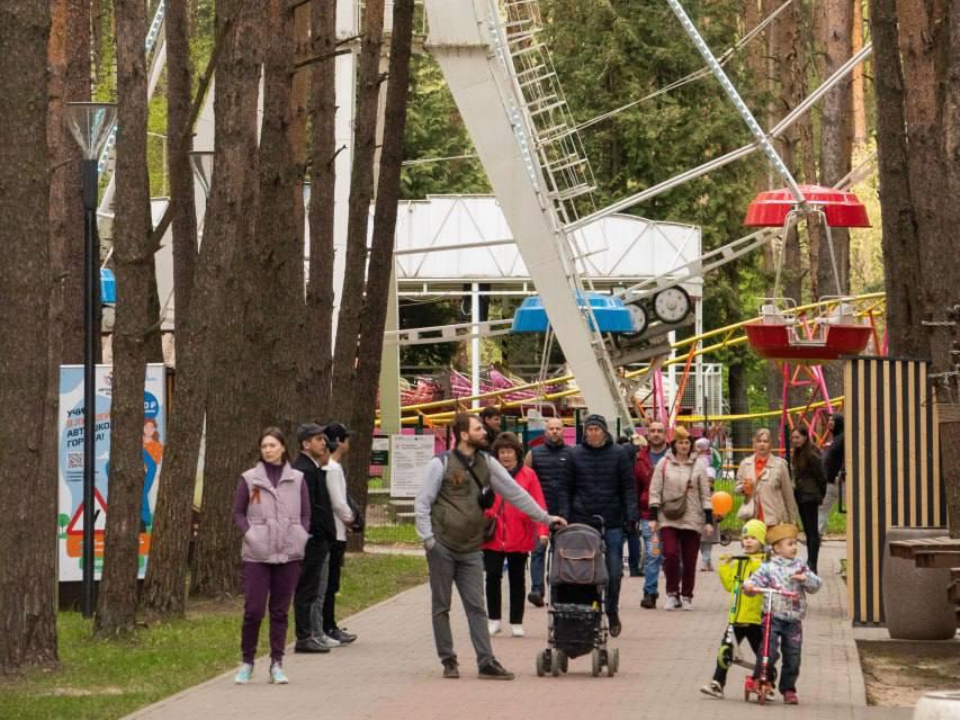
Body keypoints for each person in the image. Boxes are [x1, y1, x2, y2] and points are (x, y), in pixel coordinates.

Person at [415, 413, 566, 680]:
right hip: (443, 546)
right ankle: (448, 659)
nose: (484, 432)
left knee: (476, 606)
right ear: (463, 434)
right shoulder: (440, 464)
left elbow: (515, 493)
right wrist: (429, 541)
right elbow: (423, 503)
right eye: (478, 429)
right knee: (442, 605)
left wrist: (545, 518)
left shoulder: (487, 462)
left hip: (472, 547)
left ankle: (486, 661)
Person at [233, 427, 311, 685]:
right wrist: (251, 534)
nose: (268, 450)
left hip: (288, 553)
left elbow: (306, 514)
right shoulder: (249, 479)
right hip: (257, 554)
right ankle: (247, 662)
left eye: (272, 445)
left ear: (283, 448)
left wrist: (300, 533)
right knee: (254, 610)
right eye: (264, 446)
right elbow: (238, 513)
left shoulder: (298, 478)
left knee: (279, 610)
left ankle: (276, 663)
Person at [557, 413, 639, 637]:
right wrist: (564, 516)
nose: (593, 433)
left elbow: (628, 488)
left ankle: (611, 610)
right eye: (589, 430)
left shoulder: (619, 455)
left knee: (613, 572)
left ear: (604, 431)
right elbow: (564, 488)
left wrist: (631, 517)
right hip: (581, 519)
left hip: (611, 520)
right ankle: (589, 612)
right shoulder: (574, 455)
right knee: (583, 570)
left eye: (596, 429)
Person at [743, 523, 823, 705]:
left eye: (795, 543)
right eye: (790, 544)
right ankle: (760, 679)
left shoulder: (800, 566)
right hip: (772, 616)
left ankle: (788, 688)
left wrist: (806, 579)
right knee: (768, 651)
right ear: (777, 548)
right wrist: (749, 586)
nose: (794, 547)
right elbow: (754, 582)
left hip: (794, 619)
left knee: (793, 655)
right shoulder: (768, 568)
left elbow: (816, 585)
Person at [483, 432, 548, 638]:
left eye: (509, 451)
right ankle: (494, 619)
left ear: (517, 454)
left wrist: (543, 530)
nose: (506, 456)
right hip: (493, 534)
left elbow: (537, 502)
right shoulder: (488, 474)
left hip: (519, 534)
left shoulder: (529, 475)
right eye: (502, 452)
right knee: (492, 576)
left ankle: (516, 622)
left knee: (517, 580)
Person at [700, 520, 768, 699]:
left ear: (761, 541)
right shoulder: (740, 562)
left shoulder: (764, 563)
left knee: (764, 654)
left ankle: (767, 683)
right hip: (736, 618)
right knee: (725, 652)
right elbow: (730, 585)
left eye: (753, 538)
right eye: (745, 538)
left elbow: (761, 576)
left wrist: (752, 561)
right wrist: (725, 566)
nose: (748, 541)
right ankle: (717, 683)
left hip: (754, 619)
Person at [648, 425, 713, 610]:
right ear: (674, 444)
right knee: (670, 554)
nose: (683, 446)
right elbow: (655, 490)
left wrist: (708, 520)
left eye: (686, 442)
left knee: (690, 558)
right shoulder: (664, 463)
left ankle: (687, 595)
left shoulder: (699, 465)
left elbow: (705, 494)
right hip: (668, 515)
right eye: (680, 442)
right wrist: (653, 516)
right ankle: (671, 593)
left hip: (692, 516)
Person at [292, 424, 341, 653]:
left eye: (323, 439)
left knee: (313, 589)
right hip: (311, 540)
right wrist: (317, 533)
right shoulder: (304, 470)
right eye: (318, 439)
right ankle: (304, 636)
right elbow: (310, 508)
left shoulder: (313, 468)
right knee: (307, 589)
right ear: (306, 444)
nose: (324, 443)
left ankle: (311, 633)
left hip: (317, 539)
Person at [524, 416, 569, 607]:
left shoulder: (571, 454)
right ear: (545, 432)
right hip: (539, 512)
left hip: (563, 512)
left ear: (563, 431)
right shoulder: (533, 454)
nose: (555, 431)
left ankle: (559, 589)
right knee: (537, 552)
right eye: (551, 428)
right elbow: (525, 482)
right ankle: (537, 590)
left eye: (558, 428)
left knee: (561, 553)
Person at [321, 422, 357, 645]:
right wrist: (350, 519)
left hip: (335, 530)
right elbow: (338, 501)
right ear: (340, 442)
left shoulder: (329, 467)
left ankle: (329, 623)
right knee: (331, 582)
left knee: (331, 582)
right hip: (335, 532)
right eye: (346, 438)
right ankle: (328, 625)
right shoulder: (333, 468)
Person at [736, 428, 799, 527]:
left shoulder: (780, 465)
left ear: (770, 444)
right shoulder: (745, 464)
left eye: (765, 441)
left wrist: (793, 521)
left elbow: (788, 494)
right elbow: (737, 489)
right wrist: (743, 488)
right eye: (759, 441)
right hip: (752, 520)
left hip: (775, 520)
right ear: (754, 443)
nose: (762, 444)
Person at [638, 421, 669, 609]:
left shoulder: (673, 457)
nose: (656, 434)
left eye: (660, 431)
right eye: (653, 431)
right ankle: (650, 592)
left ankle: (675, 591)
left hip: (673, 514)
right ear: (648, 434)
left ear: (666, 434)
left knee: (674, 556)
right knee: (653, 553)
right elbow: (635, 486)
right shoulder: (640, 459)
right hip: (650, 515)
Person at [790, 427, 826, 574]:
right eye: (793, 438)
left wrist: (821, 494)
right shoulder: (798, 453)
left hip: (810, 495)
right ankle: (810, 561)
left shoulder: (811, 453)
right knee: (808, 530)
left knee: (812, 530)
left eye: (797, 437)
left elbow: (821, 475)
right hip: (801, 494)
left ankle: (813, 563)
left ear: (805, 437)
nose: (795, 440)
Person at [696, 436, 720, 572]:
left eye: (699, 447)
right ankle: (707, 561)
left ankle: (705, 561)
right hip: (697, 501)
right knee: (701, 536)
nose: (697, 449)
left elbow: (710, 481)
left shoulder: (708, 463)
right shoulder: (694, 461)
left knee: (707, 535)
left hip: (708, 501)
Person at [818, 414, 845, 536]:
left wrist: (842, 472)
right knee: (822, 508)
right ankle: (817, 536)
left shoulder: (844, 438)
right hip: (829, 482)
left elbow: (849, 457)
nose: (829, 423)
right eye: (828, 421)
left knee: (855, 508)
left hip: (842, 482)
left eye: (832, 421)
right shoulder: (835, 439)